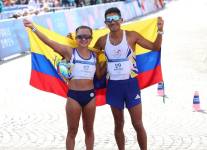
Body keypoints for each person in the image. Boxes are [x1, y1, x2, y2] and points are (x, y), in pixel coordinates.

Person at [23, 19, 104, 150]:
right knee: (72, 132)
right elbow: (49, 42)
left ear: (91, 38)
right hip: (74, 97)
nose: (83, 39)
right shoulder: (69, 51)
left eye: (87, 37)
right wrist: (33, 28)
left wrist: (109, 62)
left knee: (89, 130)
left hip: (90, 96)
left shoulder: (95, 54)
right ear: (76, 38)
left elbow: (100, 75)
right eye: (80, 37)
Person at [94, 7, 164, 150]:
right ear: (105, 23)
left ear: (121, 20)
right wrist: (74, 42)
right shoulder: (101, 41)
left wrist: (160, 30)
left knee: (137, 123)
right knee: (118, 124)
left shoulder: (132, 36)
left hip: (131, 85)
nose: (112, 22)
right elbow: (89, 53)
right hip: (113, 86)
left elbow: (155, 47)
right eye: (109, 20)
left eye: (115, 19)